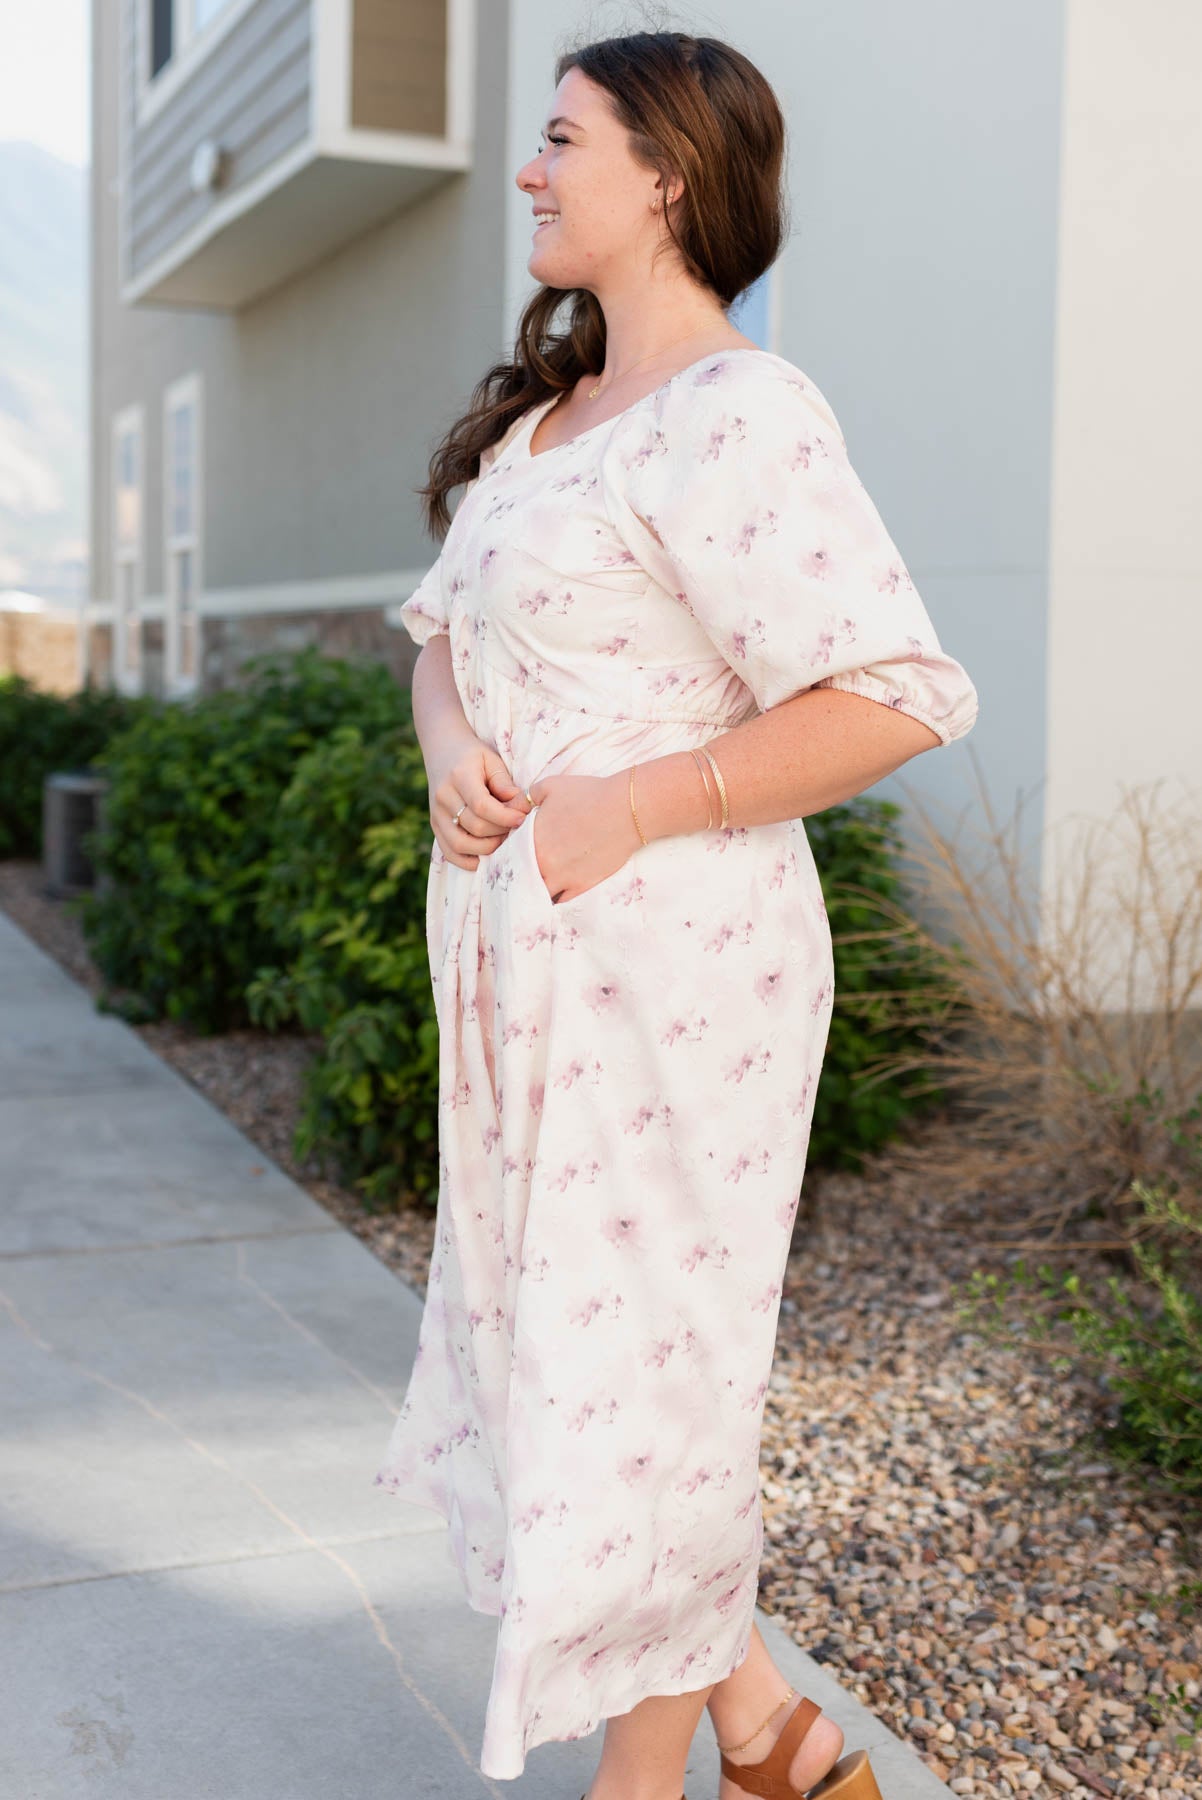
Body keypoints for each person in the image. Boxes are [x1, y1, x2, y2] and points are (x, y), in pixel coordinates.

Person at [374, 29, 978, 1800]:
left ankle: (647, 1787)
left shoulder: (741, 415)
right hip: (518, 973)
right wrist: (452, 751)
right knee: (567, 1368)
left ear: (664, 177)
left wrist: (636, 799)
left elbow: (899, 691)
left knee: (644, 1386)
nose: (530, 170)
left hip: (674, 978)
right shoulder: (546, 424)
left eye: (563, 139)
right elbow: (437, 642)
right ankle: (772, 1733)